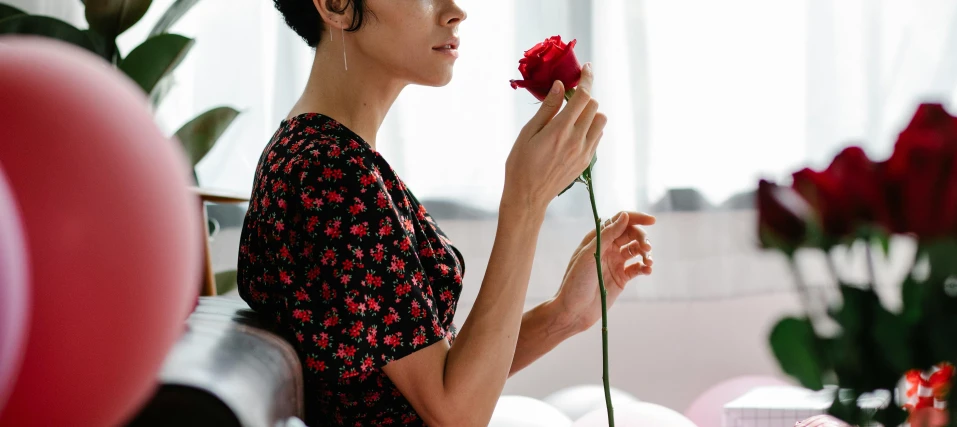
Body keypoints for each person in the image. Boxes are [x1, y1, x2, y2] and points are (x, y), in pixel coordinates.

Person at [237, 0, 655, 425]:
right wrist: (525, 203)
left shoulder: (325, 155)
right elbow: (455, 414)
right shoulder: (330, 174)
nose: (456, 11)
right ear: (336, 6)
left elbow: (429, 380)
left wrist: (564, 314)